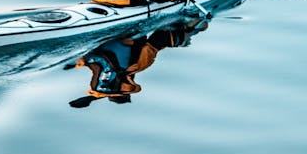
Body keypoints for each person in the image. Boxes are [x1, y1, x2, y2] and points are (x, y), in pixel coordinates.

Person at [68, 19, 208, 108]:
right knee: (153, 45)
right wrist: (90, 99)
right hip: (106, 41)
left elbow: (157, 43)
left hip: (123, 36)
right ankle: (188, 31)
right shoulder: (99, 84)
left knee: (156, 43)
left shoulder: (136, 66)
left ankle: (189, 31)